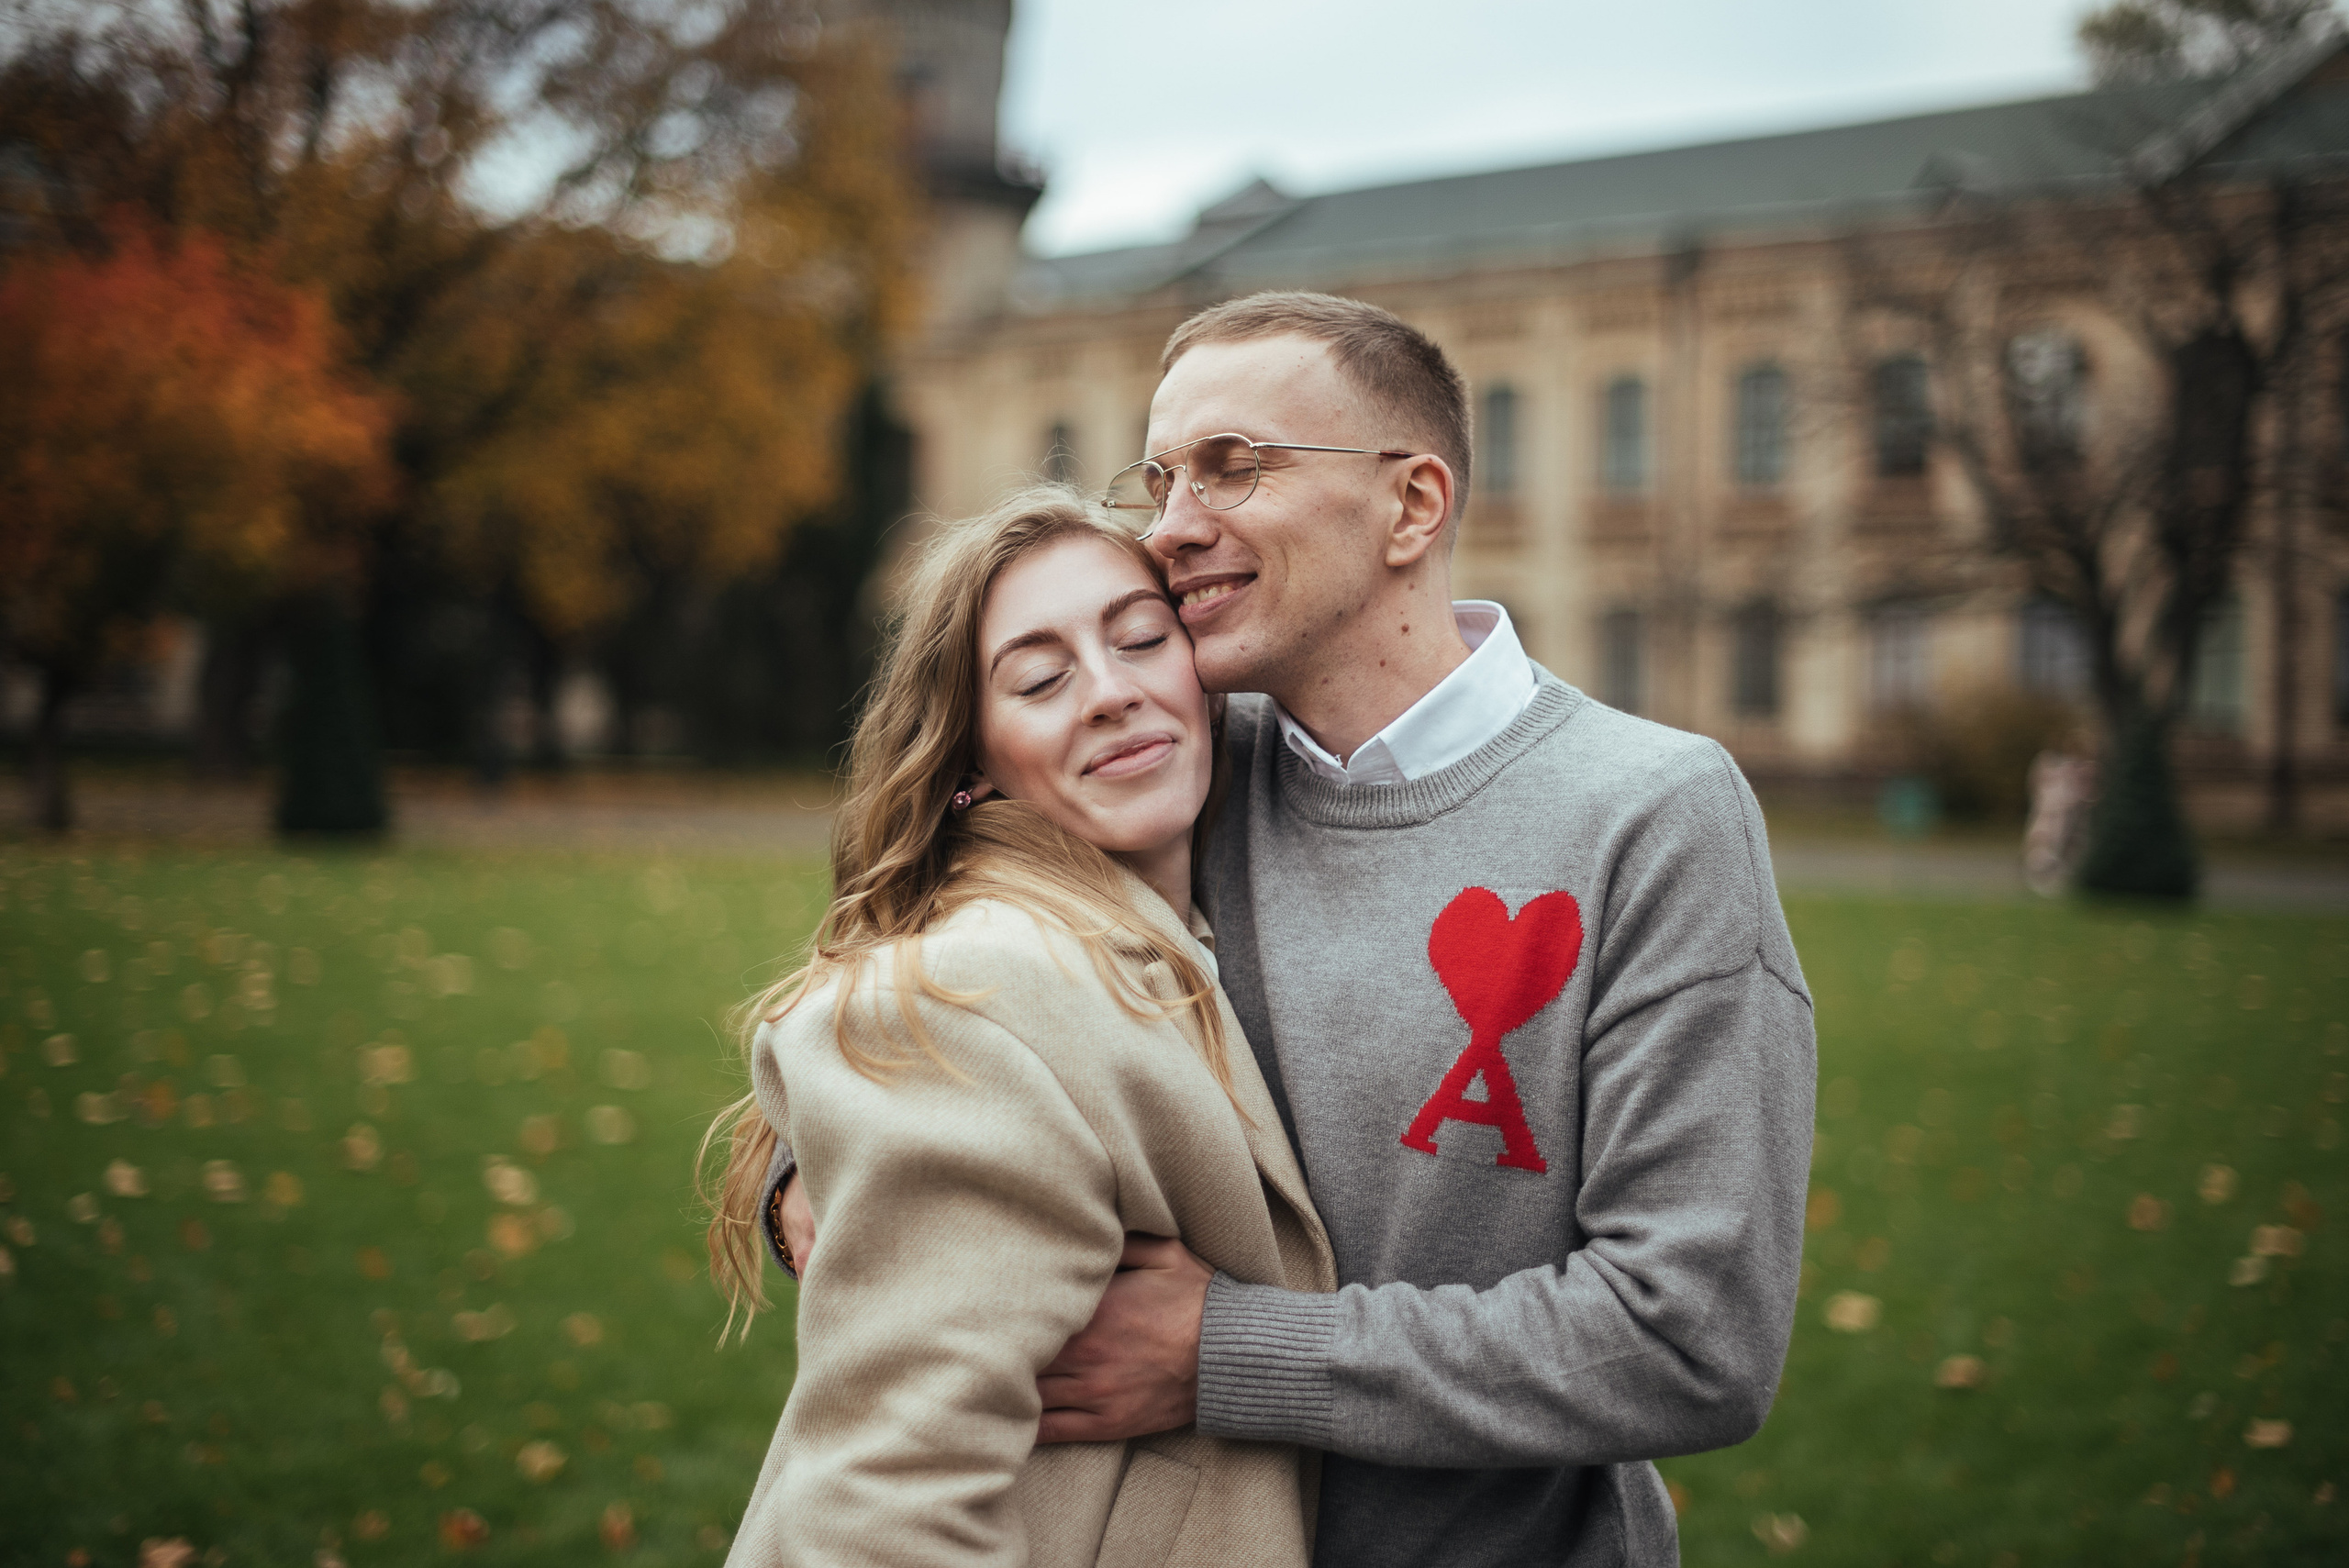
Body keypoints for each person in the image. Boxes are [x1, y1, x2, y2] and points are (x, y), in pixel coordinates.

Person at [774, 292, 1818, 1568]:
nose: (1170, 528)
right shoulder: (1175, 766)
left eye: (1233, 468)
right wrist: (808, 1176)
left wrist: (1225, 1353)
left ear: (1413, 506)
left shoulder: (1652, 814)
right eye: (1160, 478)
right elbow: (937, 981)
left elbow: (1688, 1336)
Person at [704, 489, 1336, 1567]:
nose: (1110, 691)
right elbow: (881, 1515)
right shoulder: (979, 992)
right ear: (971, 762)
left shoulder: (1202, 922)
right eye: (1039, 678)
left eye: (1141, 637)